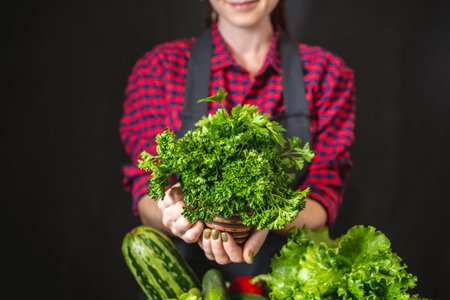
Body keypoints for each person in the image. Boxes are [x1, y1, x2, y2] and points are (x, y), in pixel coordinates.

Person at [120, 0, 355, 283]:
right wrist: (174, 211)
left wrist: (265, 212)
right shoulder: (159, 68)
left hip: (286, 279)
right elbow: (145, 189)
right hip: (186, 281)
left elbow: (322, 198)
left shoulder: (325, 73)